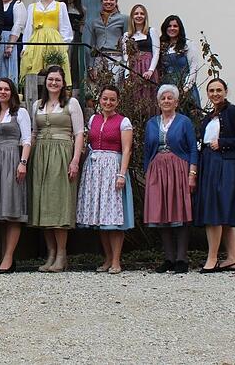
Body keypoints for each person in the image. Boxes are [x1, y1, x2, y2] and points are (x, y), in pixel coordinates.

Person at [29, 65, 84, 273]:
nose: (53, 83)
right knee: (44, 205)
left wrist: (75, 160)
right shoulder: (37, 105)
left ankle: (61, 255)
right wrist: (27, 158)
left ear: (63, 83)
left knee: (59, 204)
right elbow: (34, 133)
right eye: (50, 79)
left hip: (62, 154)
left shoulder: (71, 103)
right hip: (41, 155)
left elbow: (79, 133)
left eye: (57, 80)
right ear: (46, 82)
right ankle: (51, 253)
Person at [195, 78, 235, 273]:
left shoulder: (233, 111)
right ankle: (232, 259)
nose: (215, 94)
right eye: (211, 90)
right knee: (219, 210)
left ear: (226, 91)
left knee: (218, 211)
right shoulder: (208, 117)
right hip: (209, 163)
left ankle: (212, 259)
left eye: (219, 90)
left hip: (225, 163)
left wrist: (222, 143)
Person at [76, 85, 133, 274]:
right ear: (100, 100)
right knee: (102, 217)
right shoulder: (94, 119)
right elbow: (88, 143)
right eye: (105, 99)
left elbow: (126, 150)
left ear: (117, 101)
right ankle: (107, 259)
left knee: (114, 218)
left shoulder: (123, 122)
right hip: (95, 170)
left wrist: (121, 174)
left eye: (112, 99)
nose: (108, 102)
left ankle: (116, 260)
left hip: (112, 168)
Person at [143, 84, 199, 274]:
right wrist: (147, 172)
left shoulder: (184, 122)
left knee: (180, 212)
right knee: (161, 213)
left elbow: (193, 149)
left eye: (170, 98)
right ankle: (169, 258)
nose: (166, 101)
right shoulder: (151, 123)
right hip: (157, 170)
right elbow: (147, 151)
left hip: (179, 169)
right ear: (158, 102)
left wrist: (192, 174)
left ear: (176, 102)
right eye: (163, 98)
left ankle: (182, 259)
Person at [0, 78, 31, 274]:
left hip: (12, 160)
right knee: (1, 210)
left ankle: (9, 257)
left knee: (12, 209)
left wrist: (23, 163)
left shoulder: (20, 113)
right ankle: (5, 255)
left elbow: (26, 140)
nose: (2, 92)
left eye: (6, 89)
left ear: (12, 92)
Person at [20, 0, 73, 86]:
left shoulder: (60, 5)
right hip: (36, 43)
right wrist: (25, 47)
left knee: (55, 70)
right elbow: (28, 28)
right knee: (33, 70)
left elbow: (65, 27)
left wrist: (64, 46)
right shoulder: (32, 7)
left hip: (54, 42)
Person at [159, 15, 202, 114]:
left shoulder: (188, 45)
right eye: (169, 26)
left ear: (180, 28)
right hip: (167, 87)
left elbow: (193, 68)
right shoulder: (162, 47)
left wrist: (186, 88)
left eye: (175, 26)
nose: (172, 28)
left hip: (185, 87)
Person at [122, 3, 161, 110]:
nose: (139, 16)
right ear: (132, 16)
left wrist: (150, 70)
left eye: (142, 13)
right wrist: (127, 74)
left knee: (149, 98)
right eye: (136, 14)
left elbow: (156, 52)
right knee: (135, 97)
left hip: (148, 68)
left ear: (145, 16)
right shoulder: (127, 35)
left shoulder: (151, 31)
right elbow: (126, 56)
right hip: (133, 68)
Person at [89, 0, 129, 87]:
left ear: (116, 1)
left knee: (114, 87)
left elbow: (127, 42)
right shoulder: (95, 21)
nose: (108, 2)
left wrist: (126, 63)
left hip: (115, 57)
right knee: (98, 89)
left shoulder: (123, 19)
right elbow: (92, 45)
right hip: (99, 58)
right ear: (101, 1)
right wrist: (91, 66)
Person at [0, 0, 26, 83]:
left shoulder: (17, 5)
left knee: (9, 71)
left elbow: (18, 25)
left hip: (11, 42)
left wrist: (9, 46)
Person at [61, 0, 87, 95]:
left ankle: (73, 92)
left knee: (75, 65)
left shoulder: (82, 9)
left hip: (76, 39)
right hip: (62, 39)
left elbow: (82, 28)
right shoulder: (59, 5)